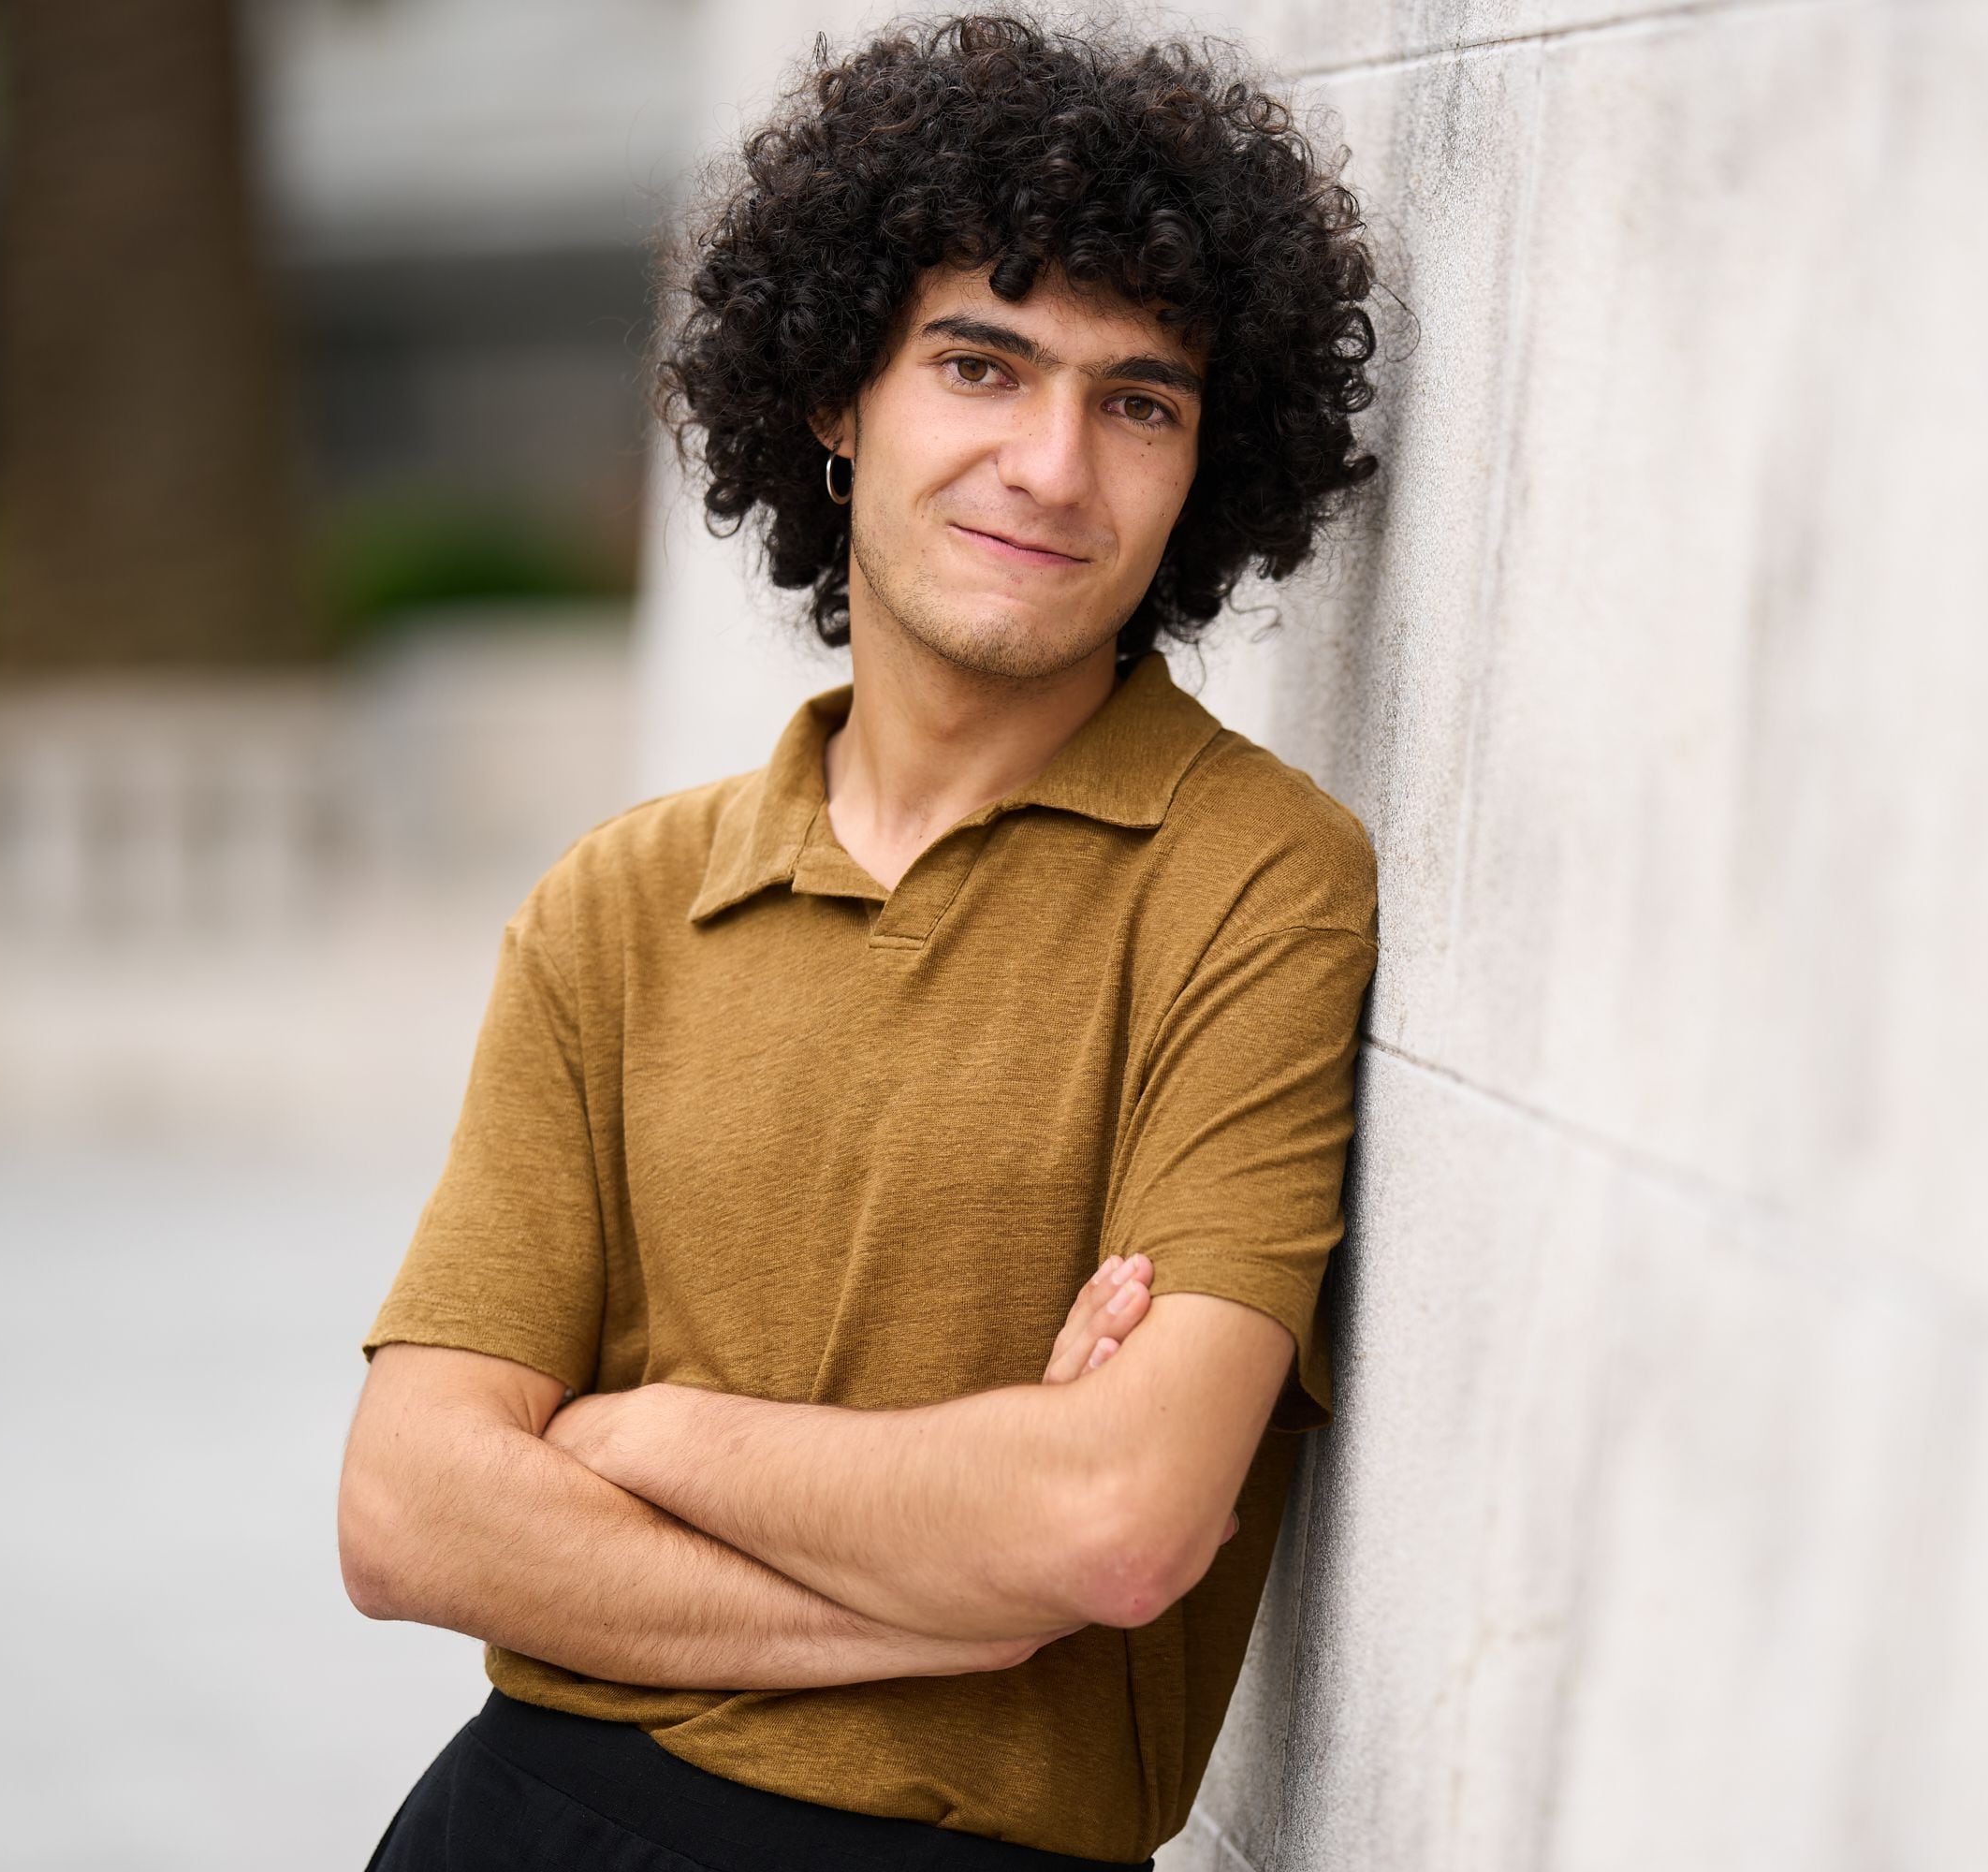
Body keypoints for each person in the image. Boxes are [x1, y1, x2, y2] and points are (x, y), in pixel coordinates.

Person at [335, 15, 1383, 1868]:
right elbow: (411, 1511)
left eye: (1139, 398)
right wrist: (956, 1604)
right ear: (836, 398)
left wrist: (634, 1432)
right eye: (982, 365)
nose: (1053, 464)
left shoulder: (1258, 880)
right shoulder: (617, 905)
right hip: (517, 1820)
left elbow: (1121, 1522)